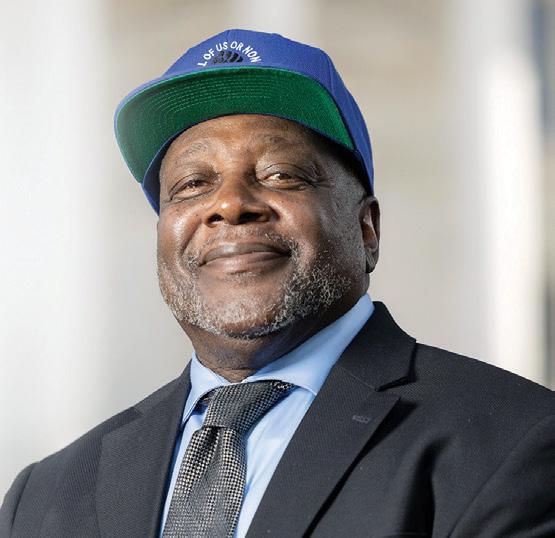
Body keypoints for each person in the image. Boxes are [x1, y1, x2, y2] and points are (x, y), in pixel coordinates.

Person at [1, 28, 554, 538]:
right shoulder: (43, 496)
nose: (229, 204)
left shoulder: (516, 440)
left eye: (280, 175)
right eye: (192, 184)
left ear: (367, 229)